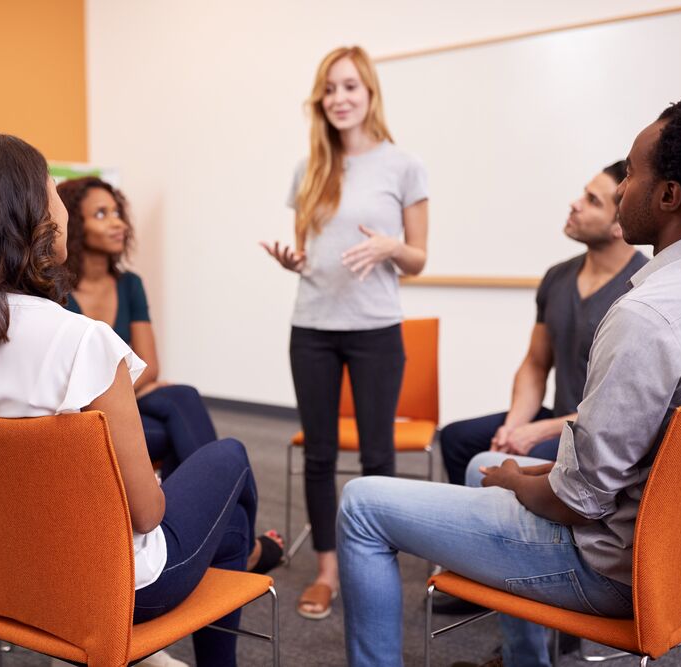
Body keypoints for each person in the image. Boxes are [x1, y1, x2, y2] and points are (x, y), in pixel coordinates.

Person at [336, 95, 681, 667]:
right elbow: (642, 465)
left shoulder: (648, 316)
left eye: (631, 175)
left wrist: (518, 479)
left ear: (669, 196)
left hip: (610, 569)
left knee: (361, 503)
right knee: (476, 467)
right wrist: (521, 471)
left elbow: (575, 503)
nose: (620, 192)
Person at [0, 131, 280, 667]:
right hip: (105, 588)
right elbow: (147, 515)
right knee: (229, 459)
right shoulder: (81, 343)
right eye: (54, 192)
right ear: (35, 217)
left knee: (228, 528)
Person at [260, 44, 429, 621]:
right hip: (311, 327)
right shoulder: (307, 169)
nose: (339, 98)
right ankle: (328, 571)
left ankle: (372, 569)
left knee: (378, 456)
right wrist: (293, 262)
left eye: (350, 86)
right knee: (320, 455)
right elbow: (311, 254)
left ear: (370, 93)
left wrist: (391, 246)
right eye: (330, 88)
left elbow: (418, 261)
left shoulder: (403, 165)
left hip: (375, 330)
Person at [440, 163, 648, 483]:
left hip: (599, 435)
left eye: (593, 201)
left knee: (519, 459)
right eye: (583, 194)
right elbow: (536, 365)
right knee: (456, 439)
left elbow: (620, 407)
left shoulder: (643, 289)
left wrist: (535, 432)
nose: (575, 203)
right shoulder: (557, 276)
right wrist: (514, 427)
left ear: (619, 224)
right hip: (558, 418)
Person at [57, 176, 218, 480]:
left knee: (183, 396)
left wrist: (122, 395)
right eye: (101, 214)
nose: (118, 223)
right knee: (175, 432)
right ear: (74, 224)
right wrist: (124, 393)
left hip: (125, 399)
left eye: (117, 213)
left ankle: (197, 513)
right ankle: (207, 513)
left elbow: (149, 365)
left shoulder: (130, 285)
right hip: (78, 413)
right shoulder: (53, 291)